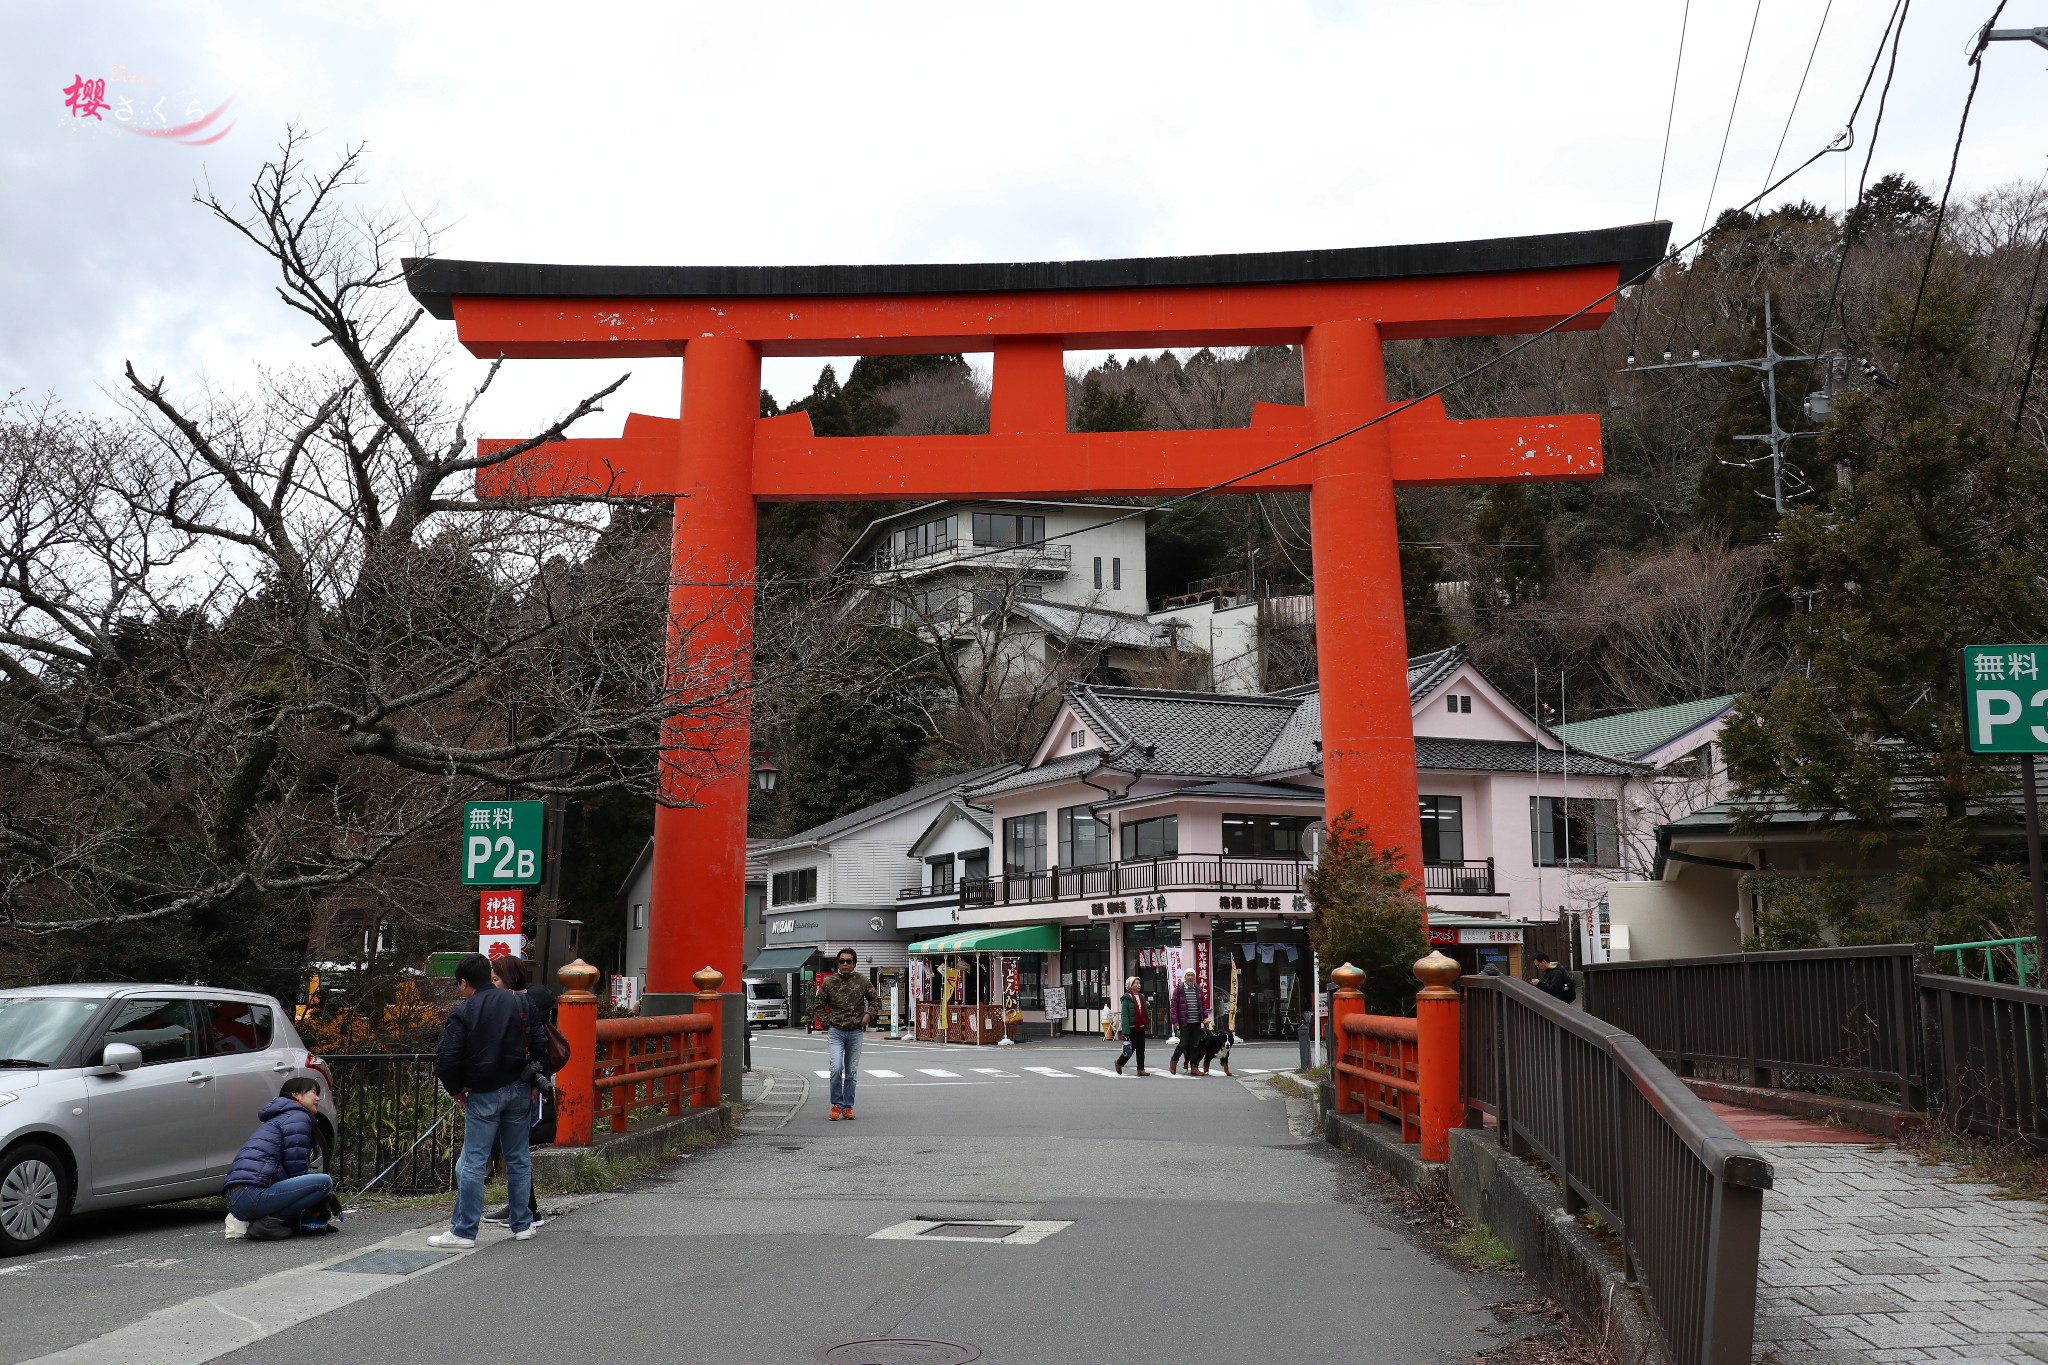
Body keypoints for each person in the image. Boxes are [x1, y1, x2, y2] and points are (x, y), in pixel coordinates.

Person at [430, 952, 550, 1249]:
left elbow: (446, 1059)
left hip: (483, 1093)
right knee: (518, 1158)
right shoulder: (521, 1002)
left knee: (473, 1161)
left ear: (463, 983)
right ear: (489, 975)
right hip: (520, 1088)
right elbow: (540, 1044)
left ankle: (464, 1231)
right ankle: (522, 1224)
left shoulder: (464, 1012)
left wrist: (456, 1089)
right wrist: (537, 1081)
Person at [482, 955, 557, 1231]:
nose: (492, 984)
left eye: (496, 979)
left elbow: (532, 1048)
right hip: (525, 1084)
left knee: (514, 1150)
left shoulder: (521, 1005)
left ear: (510, 979)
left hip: (519, 1085)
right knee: (515, 1150)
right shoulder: (525, 1002)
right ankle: (522, 1208)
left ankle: (525, 1209)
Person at [223, 1078, 334, 1241]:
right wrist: (317, 1200)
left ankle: (270, 1222)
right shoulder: (298, 1117)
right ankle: (269, 1224)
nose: (317, 1098)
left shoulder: (283, 1116)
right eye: (313, 1093)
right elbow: (296, 1169)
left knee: (312, 1178)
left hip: (238, 1198)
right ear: (296, 1095)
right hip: (251, 1195)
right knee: (323, 1182)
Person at [814, 947, 878, 1121]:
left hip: (856, 1031)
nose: (845, 964)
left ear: (854, 964)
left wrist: (868, 1015)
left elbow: (876, 1000)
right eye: (841, 961)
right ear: (838, 963)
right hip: (836, 1031)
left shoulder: (862, 981)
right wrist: (828, 1024)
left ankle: (847, 1106)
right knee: (836, 1068)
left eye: (848, 961)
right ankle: (836, 1104)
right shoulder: (829, 982)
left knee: (851, 1072)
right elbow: (818, 1004)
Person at [1168, 968, 1206, 1076]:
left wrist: (1205, 1017)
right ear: (1185, 977)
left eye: (1192, 975)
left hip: (1196, 1021)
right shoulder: (1179, 990)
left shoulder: (1198, 989)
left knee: (1195, 1045)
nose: (1190, 977)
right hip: (1184, 1022)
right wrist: (1175, 1022)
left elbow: (1202, 1004)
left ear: (1194, 977)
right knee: (1183, 1044)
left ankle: (1194, 1067)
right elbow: (1174, 1007)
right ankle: (1174, 1061)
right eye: (1188, 975)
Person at [1114, 976, 1150, 1076]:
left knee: (1141, 1049)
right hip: (1131, 1027)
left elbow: (1144, 1012)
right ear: (1130, 986)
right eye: (1136, 983)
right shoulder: (1126, 999)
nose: (1139, 985)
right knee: (1131, 1049)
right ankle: (1119, 1062)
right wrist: (1125, 1031)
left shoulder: (1142, 997)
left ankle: (1141, 1069)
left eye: (1139, 983)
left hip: (1141, 1026)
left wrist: (1148, 1007)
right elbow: (1124, 1015)